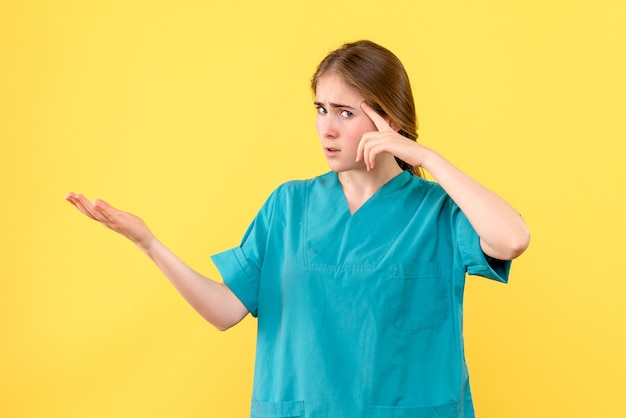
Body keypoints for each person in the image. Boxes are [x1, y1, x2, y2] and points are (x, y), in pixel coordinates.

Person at [66, 40, 530, 418]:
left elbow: (512, 239)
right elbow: (226, 309)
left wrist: (425, 156)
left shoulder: (437, 212)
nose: (326, 128)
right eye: (320, 109)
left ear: (389, 119)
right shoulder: (288, 206)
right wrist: (148, 243)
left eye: (345, 113)